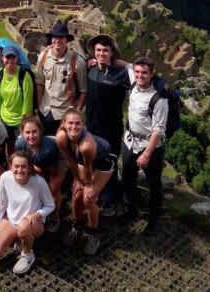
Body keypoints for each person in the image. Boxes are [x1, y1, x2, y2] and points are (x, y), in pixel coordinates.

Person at [55, 108, 116, 255]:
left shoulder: (86, 145)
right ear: (64, 124)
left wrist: (87, 185)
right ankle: (77, 226)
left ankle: (93, 234)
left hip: (105, 161)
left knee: (88, 199)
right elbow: (71, 160)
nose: (74, 127)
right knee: (76, 195)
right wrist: (77, 179)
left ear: (83, 125)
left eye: (77, 124)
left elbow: (88, 167)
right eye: (70, 123)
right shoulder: (61, 138)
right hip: (83, 160)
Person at [0, 151, 55, 275]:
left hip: (31, 224)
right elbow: (2, 203)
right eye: (16, 166)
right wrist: (1, 226)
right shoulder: (5, 177)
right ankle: (18, 239)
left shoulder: (39, 182)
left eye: (23, 166)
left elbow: (50, 205)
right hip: (11, 221)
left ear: (29, 167)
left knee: (23, 227)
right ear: (11, 166)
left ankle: (27, 254)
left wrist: (36, 215)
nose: (19, 170)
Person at [84, 33, 132, 216]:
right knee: (94, 161)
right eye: (98, 50)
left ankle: (109, 200)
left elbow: (141, 75)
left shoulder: (121, 74)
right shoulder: (91, 69)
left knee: (110, 162)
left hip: (111, 128)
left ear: (112, 53)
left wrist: (126, 64)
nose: (101, 53)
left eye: (105, 50)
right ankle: (98, 193)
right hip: (92, 126)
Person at [120, 57, 168, 236]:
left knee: (154, 184)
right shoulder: (134, 83)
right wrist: (93, 60)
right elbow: (126, 65)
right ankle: (130, 210)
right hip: (130, 141)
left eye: (144, 73)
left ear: (152, 74)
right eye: (138, 72)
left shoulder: (158, 99)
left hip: (149, 147)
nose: (140, 75)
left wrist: (146, 154)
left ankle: (154, 220)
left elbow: (159, 130)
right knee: (128, 177)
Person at [14, 114, 67, 233]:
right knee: (33, 181)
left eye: (34, 132)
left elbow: (53, 172)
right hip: (40, 157)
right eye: (27, 132)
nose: (31, 136)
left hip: (59, 156)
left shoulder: (49, 148)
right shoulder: (19, 144)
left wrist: (43, 178)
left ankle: (54, 217)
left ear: (40, 132)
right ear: (22, 133)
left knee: (53, 189)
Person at [35, 20, 87, 135]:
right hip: (45, 111)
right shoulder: (43, 57)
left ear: (66, 39)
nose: (57, 40)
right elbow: (40, 82)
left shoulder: (77, 62)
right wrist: (39, 104)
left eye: (61, 37)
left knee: (63, 150)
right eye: (55, 37)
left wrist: (77, 113)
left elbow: (83, 90)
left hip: (65, 115)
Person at [0, 47, 34, 155]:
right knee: (8, 149)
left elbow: (27, 101)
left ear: (17, 58)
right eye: (7, 57)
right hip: (4, 118)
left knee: (21, 149)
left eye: (13, 57)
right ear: (2, 58)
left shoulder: (24, 76)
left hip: (20, 121)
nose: (10, 60)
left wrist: (24, 123)